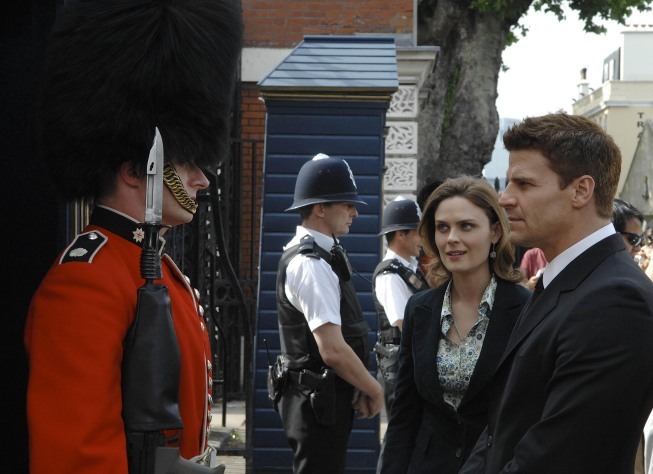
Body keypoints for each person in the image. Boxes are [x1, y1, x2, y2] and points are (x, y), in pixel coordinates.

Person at [24, 1, 242, 472]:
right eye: (186, 162)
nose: (202, 179)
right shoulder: (85, 282)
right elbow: (77, 457)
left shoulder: (158, 269)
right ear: (132, 170)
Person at [460, 113, 653, 473]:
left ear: (581, 190)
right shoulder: (565, 280)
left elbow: (557, 456)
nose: (504, 199)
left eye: (524, 184)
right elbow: (500, 430)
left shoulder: (616, 301)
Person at [378, 176, 531, 473]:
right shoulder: (420, 308)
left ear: (496, 232)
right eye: (442, 227)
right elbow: (404, 415)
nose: (451, 239)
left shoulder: (524, 309)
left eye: (467, 226)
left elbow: (527, 414)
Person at [275, 153, 384, 474]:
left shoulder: (324, 254)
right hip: (315, 402)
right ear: (320, 208)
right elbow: (332, 349)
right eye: (346, 204)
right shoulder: (312, 264)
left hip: (324, 399)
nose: (354, 212)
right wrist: (373, 388)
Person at [373, 197, 429, 413]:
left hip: (412, 364)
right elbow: (402, 323)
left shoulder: (408, 269)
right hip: (402, 369)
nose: (422, 238)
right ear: (400, 234)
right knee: (402, 435)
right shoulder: (390, 275)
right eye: (417, 232)